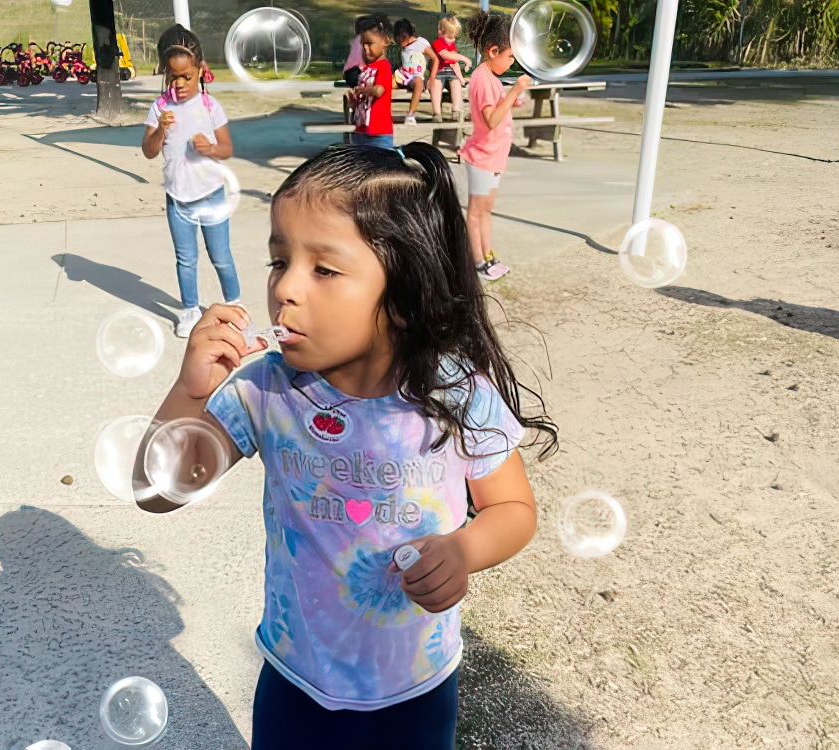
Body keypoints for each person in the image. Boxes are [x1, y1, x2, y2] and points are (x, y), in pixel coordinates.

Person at [133, 142, 557, 750]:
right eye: (280, 262)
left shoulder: (455, 392)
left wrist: (464, 550)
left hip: (414, 689)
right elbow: (157, 491)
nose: (286, 290)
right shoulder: (266, 390)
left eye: (323, 269)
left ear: (405, 293)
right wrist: (188, 392)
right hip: (294, 683)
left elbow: (512, 510)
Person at [142, 25, 242, 337]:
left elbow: (227, 148)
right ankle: (189, 311)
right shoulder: (160, 108)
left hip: (211, 194)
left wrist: (210, 148)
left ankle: (236, 308)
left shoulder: (211, 106)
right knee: (186, 259)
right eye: (174, 77)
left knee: (221, 257)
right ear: (165, 75)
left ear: (200, 71)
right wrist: (160, 130)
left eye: (187, 76)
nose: (181, 83)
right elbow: (148, 151)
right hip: (177, 197)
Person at [460, 12, 531, 282]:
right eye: (511, 56)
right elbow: (490, 120)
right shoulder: (481, 78)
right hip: (482, 157)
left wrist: (512, 98)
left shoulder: (490, 75)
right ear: (493, 51)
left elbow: (496, 107)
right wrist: (513, 92)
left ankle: (488, 255)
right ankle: (476, 261)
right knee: (476, 212)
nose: (512, 61)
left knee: (485, 210)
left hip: (493, 158)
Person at [351, 15, 394, 149]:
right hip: (361, 131)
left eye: (370, 43)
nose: (365, 47)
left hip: (379, 133)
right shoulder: (365, 69)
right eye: (363, 44)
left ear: (384, 43)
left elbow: (379, 90)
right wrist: (354, 99)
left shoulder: (384, 66)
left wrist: (362, 90)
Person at [393, 19, 440, 126]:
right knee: (385, 81)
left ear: (404, 34)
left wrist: (431, 79)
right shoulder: (403, 47)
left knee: (418, 82)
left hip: (415, 77)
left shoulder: (420, 43)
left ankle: (410, 114)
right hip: (403, 75)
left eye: (399, 37)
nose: (398, 41)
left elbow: (435, 59)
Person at [428, 13, 472, 123]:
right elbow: (445, 55)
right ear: (441, 32)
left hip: (450, 73)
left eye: (454, 37)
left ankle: (456, 111)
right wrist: (464, 58)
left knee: (456, 85)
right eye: (450, 37)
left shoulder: (451, 45)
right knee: (436, 88)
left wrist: (461, 79)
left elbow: (454, 63)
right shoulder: (438, 43)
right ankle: (436, 113)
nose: (452, 40)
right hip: (438, 73)